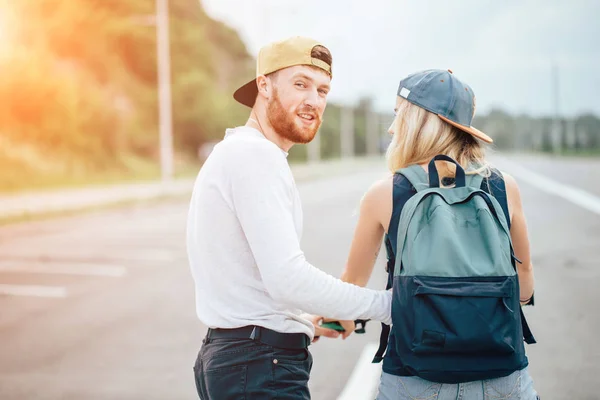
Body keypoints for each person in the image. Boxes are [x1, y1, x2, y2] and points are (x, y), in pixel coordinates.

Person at [186, 36, 393, 400]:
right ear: (263, 86)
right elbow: (287, 279)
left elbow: (250, 284)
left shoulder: (237, 152)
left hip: (239, 360)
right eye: (300, 84)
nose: (313, 100)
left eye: (323, 90)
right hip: (258, 368)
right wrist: (387, 306)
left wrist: (300, 323)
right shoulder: (255, 157)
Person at [332, 69, 540, 399]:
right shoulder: (503, 187)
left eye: (397, 114)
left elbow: (350, 284)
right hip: (501, 375)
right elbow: (524, 280)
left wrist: (337, 317)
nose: (391, 127)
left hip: (414, 375)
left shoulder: (386, 193)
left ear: (418, 122)